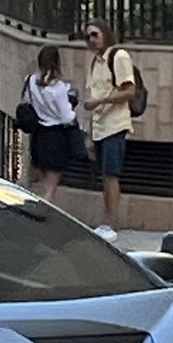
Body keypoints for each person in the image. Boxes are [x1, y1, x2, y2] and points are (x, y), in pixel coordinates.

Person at [80, 21, 137, 237]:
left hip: (115, 124)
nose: (92, 40)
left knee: (111, 174)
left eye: (95, 35)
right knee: (105, 175)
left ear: (105, 34)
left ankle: (111, 222)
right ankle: (107, 221)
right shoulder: (95, 62)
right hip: (100, 125)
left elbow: (129, 91)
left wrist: (101, 100)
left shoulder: (118, 57)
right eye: (88, 37)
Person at [25, 45, 78, 197]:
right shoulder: (58, 88)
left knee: (43, 180)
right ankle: (45, 212)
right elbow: (66, 116)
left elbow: (28, 100)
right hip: (56, 135)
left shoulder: (30, 81)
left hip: (39, 133)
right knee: (51, 184)